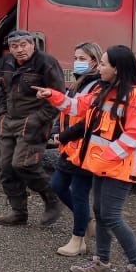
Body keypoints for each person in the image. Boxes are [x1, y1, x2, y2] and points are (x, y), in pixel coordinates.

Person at [35, 45, 136, 272]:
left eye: (102, 64)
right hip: (103, 166)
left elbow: (135, 136)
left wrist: (106, 157)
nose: (98, 68)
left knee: (111, 216)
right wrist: (52, 94)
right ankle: (102, 263)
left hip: (119, 169)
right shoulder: (104, 91)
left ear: (117, 68)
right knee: (101, 213)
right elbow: (76, 107)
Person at [0, 30, 65, 227]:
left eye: (23, 45)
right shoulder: (6, 63)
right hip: (10, 120)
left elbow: (58, 96)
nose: (19, 50)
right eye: (14, 46)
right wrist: (2, 112)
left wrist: (38, 120)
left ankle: (52, 199)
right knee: (6, 167)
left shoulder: (46, 63)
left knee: (23, 164)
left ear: (33, 44)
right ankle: (18, 213)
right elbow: (2, 89)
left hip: (33, 121)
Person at [48, 41, 103, 256]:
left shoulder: (98, 87)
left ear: (96, 62)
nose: (77, 63)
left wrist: (63, 136)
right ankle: (87, 221)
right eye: (76, 58)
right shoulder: (78, 84)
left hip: (84, 149)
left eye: (82, 59)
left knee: (79, 195)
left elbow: (86, 122)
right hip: (70, 148)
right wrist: (56, 131)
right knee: (57, 186)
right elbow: (65, 111)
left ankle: (77, 239)